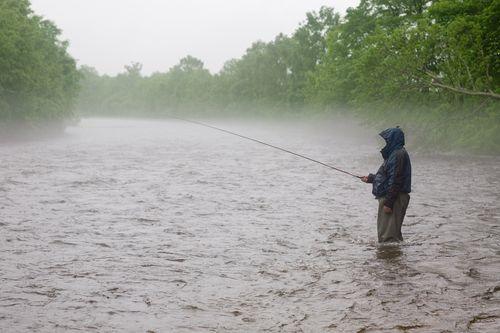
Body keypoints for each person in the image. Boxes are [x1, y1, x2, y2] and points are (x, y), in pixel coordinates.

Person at [361, 127, 412, 243]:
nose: (385, 142)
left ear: (393, 140)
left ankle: (389, 260)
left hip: (394, 198)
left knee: (388, 239)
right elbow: (389, 176)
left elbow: (396, 180)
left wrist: (389, 203)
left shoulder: (398, 154)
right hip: (394, 197)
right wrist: (371, 179)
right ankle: (395, 259)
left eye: (387, 140)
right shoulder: (395, 153)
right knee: (391, 236)